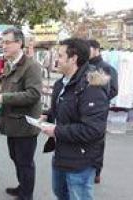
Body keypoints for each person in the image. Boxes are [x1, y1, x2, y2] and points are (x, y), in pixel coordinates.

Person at [41, 38, 110, 200]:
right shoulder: (61, 83)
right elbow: (64, 107)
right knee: (60, 193)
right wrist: (48, 115)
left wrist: (56, 130)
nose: (56, 59)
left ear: (73, 58)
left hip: (82, 159)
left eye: (60, 55)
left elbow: (93, 129)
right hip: (61, 153)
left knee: (78, 196)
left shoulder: (91, 86)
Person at [0, 27, 42, 200]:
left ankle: (27, 195)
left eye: (7, 42)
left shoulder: (31, 65)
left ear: (19, 43)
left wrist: (3, 98)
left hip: (25, 125)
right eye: (2, 42)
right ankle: (22, 187)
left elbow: (33, 94)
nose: (3, 46)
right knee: (16, 159)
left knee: (25, 163)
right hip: (12, 124)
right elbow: (8, 89)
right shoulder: (9, 64)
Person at [87, 39, 118, 184]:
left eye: (89, 48)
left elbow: (114, 90)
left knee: (97, 141)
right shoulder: (84, 66)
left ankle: (96, 171)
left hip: (99, 111)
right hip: (83, 109)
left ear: (96, 49)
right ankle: (84, 168)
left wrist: (100, 102)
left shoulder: (108, 68)